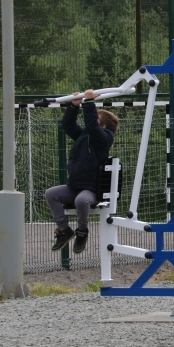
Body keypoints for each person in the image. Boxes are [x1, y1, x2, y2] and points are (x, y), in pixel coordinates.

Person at [45, 89, 118, 254]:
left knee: (81, 200)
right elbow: (68, 125)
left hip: (90, 189)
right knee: (51, 194)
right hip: (74, 186)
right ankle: (64, 230)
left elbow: (92, 126)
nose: (90, 122)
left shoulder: (104, 139)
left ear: (103, 126)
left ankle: (82, 232)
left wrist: (90, 102)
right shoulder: (84, 136)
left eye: (96, 119)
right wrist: (73, 106)